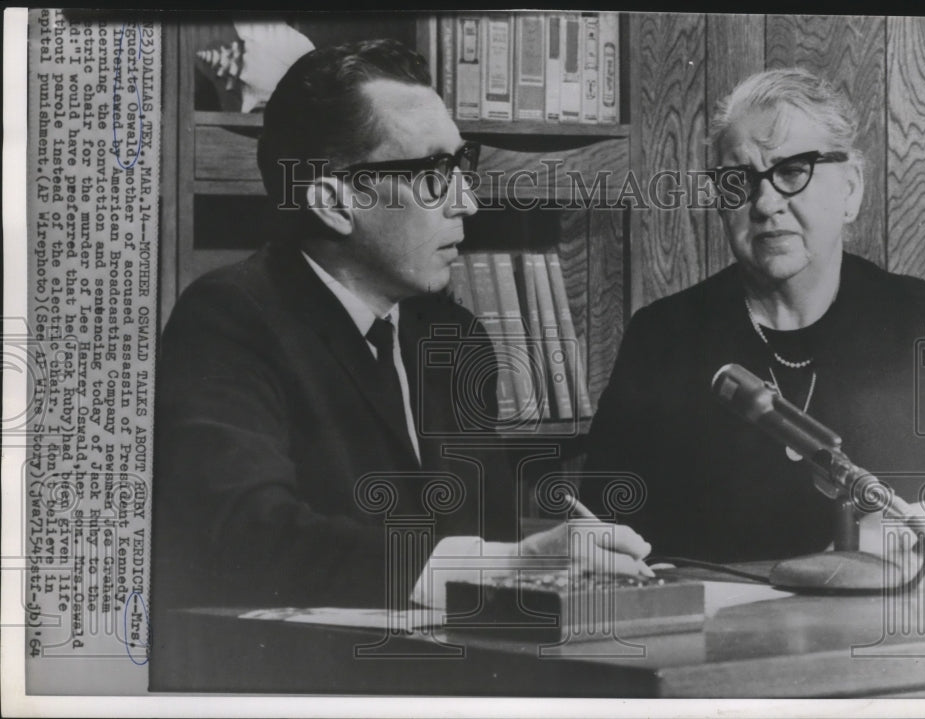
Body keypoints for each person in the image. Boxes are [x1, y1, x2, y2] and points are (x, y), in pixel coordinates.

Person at [151, 39, 652, 632]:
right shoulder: (230, 318)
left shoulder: (453, 336)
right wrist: (509, 563)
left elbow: (482, 540)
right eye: (435, 174)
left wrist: (543, 566)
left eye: (462, 167)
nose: (467, 201)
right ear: (335, 203)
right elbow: (246, 531)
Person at [583, 68, 925, 564]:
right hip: (714, 631)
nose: (766, 203)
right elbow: (601, 527)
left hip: (878, 627)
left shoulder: (921, 320)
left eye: (793, 171)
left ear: (851, 189)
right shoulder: (662, 336)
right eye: (739, 181)